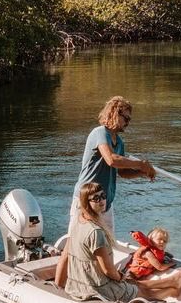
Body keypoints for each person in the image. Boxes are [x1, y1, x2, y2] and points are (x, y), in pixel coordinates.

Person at [62, 182, 181, 303]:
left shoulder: (79, 221)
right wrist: (120, 277)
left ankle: (172, 281)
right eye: (96, 198)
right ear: (86, 202)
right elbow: (107, 270)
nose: (101, 201)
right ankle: (171, 291)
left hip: (83, 283)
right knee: (142, 292)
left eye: (103, 196)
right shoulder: (95, 232)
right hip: (97, 288)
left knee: (132, 283)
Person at [67, 95, 156, 238]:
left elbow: (121, 172)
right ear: (114, 113)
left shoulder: (119, 142)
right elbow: (111, 160)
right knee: (76, 241)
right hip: (86, 198)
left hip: (105, 200)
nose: (128, 123)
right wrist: (141, 164)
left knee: (108, 243)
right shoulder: (100, 132)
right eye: (126, 118)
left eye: (129, 120)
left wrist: (142, 172)